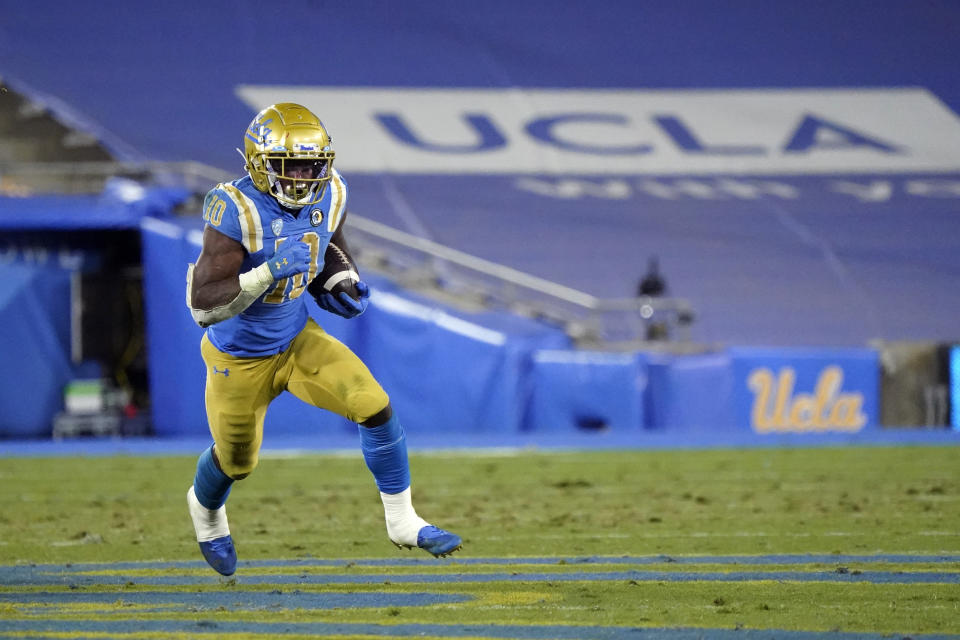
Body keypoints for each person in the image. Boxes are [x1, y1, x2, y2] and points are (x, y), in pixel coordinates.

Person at [184, 102, 461, 576]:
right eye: (291, 167)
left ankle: (402, 521)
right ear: (258, 163)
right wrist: (267, 272)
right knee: (236, 462)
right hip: (239, 357)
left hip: (295, 338)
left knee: (373, 404)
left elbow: (329, 245)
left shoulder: (331, 193)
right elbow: (203, 305)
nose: (305, 178)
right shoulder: (237, 208)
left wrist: (341, 280)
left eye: (313, 165)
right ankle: (206, 513)